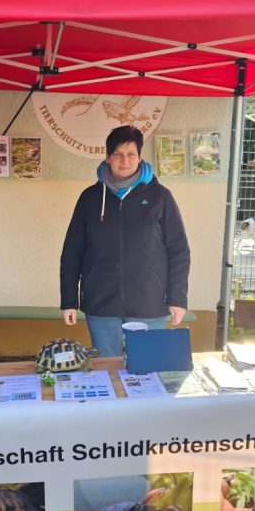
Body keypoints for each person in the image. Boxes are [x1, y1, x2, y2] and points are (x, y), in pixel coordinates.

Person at [60, 125, 191, 357]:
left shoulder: (160, 197)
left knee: (147, 368)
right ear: (108, 157)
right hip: (101, 304)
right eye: (118, 154)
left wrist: (177, 298)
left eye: (131, 154)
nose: (125, 160)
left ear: (139, 157)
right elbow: (72, 252)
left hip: (149, 303)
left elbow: (178, 250)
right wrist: (69, 300)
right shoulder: (90, 198)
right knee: (107, 371)